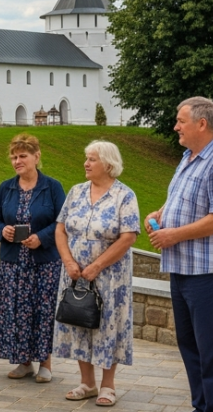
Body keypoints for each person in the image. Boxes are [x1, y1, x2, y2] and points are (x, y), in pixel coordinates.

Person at [145, 97, 213, 412]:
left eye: (181, 120)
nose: (175, 126)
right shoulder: (188, 158)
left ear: (202, 124)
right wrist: (160, 214)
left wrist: (173, 234)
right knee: (190, 346)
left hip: (208, 271)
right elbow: (179, 200)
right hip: (182, 268)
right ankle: (202, 407)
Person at [54, 140, 140, 404]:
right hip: (75, 274)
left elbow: (128, 237)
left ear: (108, 164)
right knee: (79, 319)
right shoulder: (76, 191)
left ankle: (108, 385)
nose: (86, 163)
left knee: (106, 326)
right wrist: (69, 262)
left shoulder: (124, 195)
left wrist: (97, 266)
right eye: (86, 158)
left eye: (92, 159)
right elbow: (60, 229)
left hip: (109, 276)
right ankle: (86, 383)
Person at [0, 133, 66, 384]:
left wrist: (41, 237)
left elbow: (63, 222)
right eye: (14, 157)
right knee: (17, 311)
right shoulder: (6, 187)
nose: (17, 161)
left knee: (42, 311)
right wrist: (3, 231)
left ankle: (45, 363)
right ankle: (24, 362)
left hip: (44, 263)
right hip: (13, 263)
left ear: (36, 156)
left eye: (22, 156)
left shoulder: (52, 187)